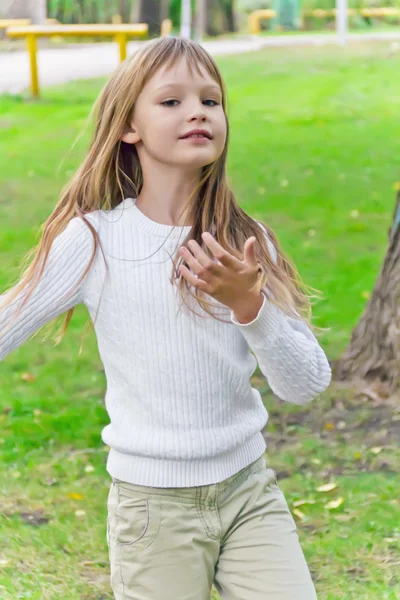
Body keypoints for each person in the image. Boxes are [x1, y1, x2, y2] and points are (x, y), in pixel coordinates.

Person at [0, 37, 331, 600]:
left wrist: (250, 308)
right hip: (152, 509)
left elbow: (307, 384)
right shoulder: (94, 240)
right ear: (129, 126)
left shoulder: (245, 244)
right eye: (171, 101)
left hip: (248, 492)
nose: (198, 111)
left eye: (211, 99)